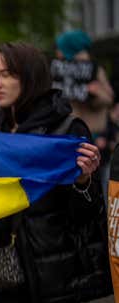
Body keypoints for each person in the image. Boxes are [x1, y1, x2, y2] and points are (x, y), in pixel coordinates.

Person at [0, 41, 104, 303]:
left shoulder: (67, 129)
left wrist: (84, 180)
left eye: (6, 74)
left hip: (54, 269)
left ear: (30, 76)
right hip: (5, 270)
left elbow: (88, 214)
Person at [55, 30, 115, 197]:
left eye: (60, 47)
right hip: (69, 136)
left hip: (92, 135)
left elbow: (108, 98)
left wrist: (93, 93)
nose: (57, 51)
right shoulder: (59, 69)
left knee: (96, 180)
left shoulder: (92, 70)